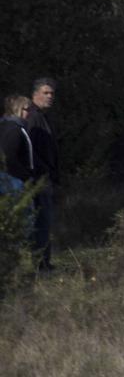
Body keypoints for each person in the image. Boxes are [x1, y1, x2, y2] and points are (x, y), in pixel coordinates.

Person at [25, 78, 58, 270]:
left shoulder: (43, 117)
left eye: (52, 93)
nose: (50, 97)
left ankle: (44, 261)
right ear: (35, 94)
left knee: (44, 220)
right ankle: (41, 264)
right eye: (46, 93)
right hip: (38, 178)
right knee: (42, 221)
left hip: (44, 176)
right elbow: (29, 148)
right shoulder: (33, 117)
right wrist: (41, 170)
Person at [1, 95, 34, 197]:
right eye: (27, 109)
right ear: (18, 109)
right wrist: (25, 176)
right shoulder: (15, 130)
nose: (30, 113)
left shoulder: (6, 125)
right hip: (13, 180)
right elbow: (9, 156)